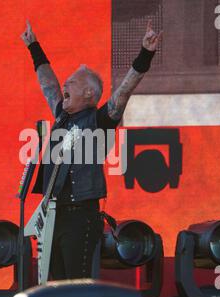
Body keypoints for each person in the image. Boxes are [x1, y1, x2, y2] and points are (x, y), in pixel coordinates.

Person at [21, 19, 162, 280]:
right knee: (54, 287)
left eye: (72, 83)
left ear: (88, 92)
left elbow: (125, 91)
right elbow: (48, 83)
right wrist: (33, 46)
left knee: (77, 284)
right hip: (53, 214)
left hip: (80, 217)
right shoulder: (61, 116)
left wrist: (146, 53)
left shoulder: (99, 122)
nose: (65, 84)